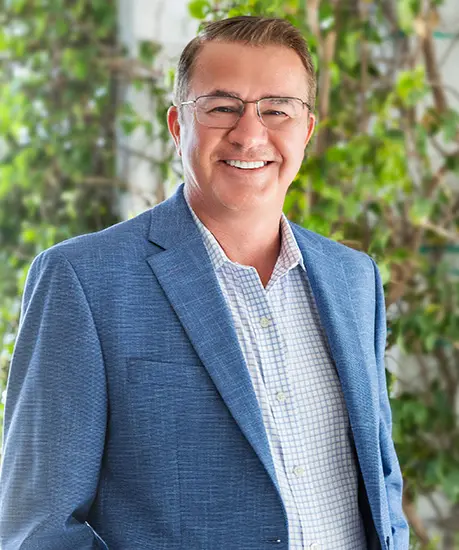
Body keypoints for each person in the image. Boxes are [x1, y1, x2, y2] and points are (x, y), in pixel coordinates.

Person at [0, 15, 409, 550]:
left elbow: (381, 485)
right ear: (177, 127)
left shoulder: (354, 279)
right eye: (222, 108)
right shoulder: (83, 281)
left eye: (276, 109)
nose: (250, 133)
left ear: (306, 130)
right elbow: (38, 529)